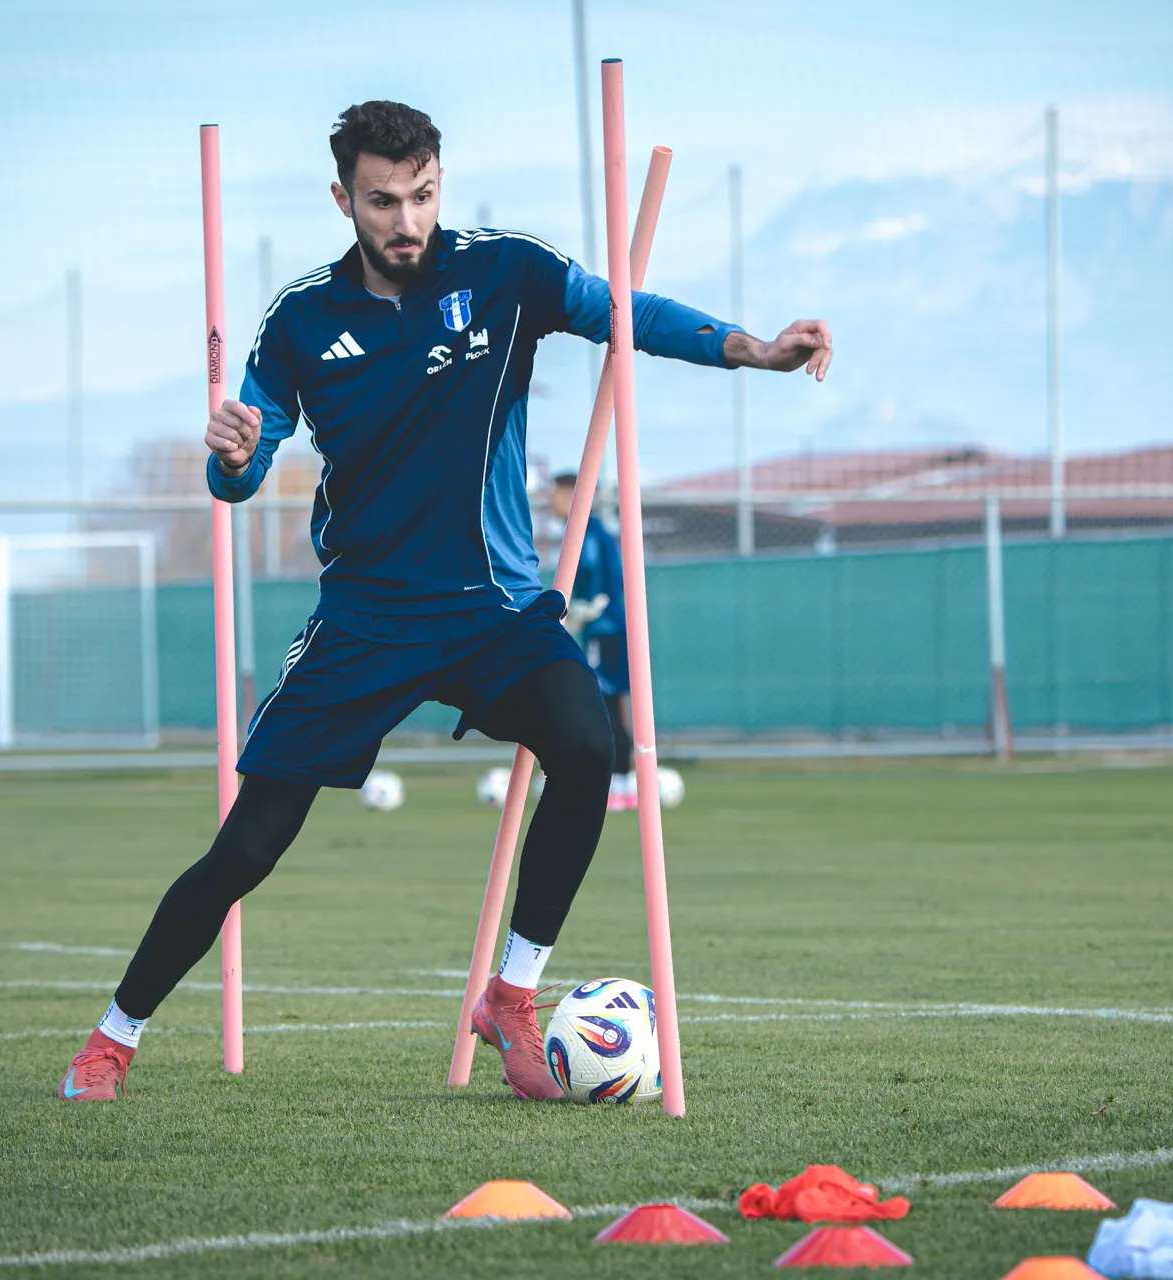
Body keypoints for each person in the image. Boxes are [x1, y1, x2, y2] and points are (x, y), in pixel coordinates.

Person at [58, 100, 831, 1103]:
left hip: (492, 610)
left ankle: (512, 993)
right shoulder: (300, 320)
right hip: (363, 619)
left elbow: (629, 313)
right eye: (383, 200)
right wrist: (235, 461)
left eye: (422, 194)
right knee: (246, 848)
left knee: (588, 743)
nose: (407, 219)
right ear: (343, 199)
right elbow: (239, 472)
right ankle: (111, 1039)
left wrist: (754, 350)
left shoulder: (505, 271)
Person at [547, 472, 637, 811]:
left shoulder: (588, 534)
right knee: (604, 703)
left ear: (572, 495)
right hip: (599, 629)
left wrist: (583, 610)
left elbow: (597, 584)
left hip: (605, 630)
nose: (550, 501)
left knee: (607, 702)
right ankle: (617, 779)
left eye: (556, 494)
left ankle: (620, 781)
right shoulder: (586, 532)